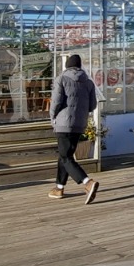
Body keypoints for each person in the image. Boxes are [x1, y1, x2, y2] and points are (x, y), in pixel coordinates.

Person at [49, 54, 100, 202]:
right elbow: (92, 106)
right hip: (79, 124)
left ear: (67, 66)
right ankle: (59, 188)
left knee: (65, 156)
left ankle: (88, 183)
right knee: (65, 156)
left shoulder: (61, 79)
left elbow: (56, 102)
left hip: (63, 123)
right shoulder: (88, 82)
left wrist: (52, 117)